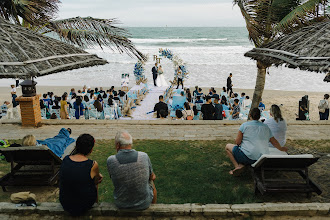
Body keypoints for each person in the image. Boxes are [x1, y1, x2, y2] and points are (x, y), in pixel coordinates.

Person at [225, 108, 288, 176]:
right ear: (259, 116)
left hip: (247, 156)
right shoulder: (266, 127)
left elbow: (237, 142)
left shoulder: (244, 125)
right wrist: (281, 148)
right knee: (247, 151)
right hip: (261, 158)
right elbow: (274, 141)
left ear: (249, 115)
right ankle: (241, 165)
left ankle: (237, 166)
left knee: (228, 147)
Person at [107, 130, 157, 210]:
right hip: (144, 204)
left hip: (121, 203)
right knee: (151, 181)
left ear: (118, 145)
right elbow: (152, 176)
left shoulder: (111, 160)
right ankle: (153, 211)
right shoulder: (143, 156)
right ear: (130, 144)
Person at [60, 134, 103, 216]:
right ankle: (96, 203)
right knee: (96, 181)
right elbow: (96, 180)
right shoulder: (92, 164)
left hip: (66, 203)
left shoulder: (66, 159)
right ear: (91, 150)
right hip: (83, 205)